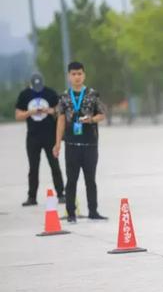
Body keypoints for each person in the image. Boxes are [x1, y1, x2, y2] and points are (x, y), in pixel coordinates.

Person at [53, 62, 108, 222]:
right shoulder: (63, 97)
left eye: (79, 74)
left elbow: (102, 114)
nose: (77, 77)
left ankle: (93, 211)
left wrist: (91, 119)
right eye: (73, 74)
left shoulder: (92, 94)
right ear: (69, 76)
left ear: (84, 75)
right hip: (71, 144)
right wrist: (57, 143)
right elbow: (61, 121)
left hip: (90, 143)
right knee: (71, 180)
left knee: (90, 179)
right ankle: (71, 213)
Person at [15, 73, 65, 206]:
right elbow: (18, 115)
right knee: (33, 167)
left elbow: (61, 109)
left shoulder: (50, 93)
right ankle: (32, 197)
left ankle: (61, 194)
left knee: (54, 165)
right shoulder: (24, 95)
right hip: (33, 136)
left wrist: (49, 110)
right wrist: (30, 112)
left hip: (49, 135)